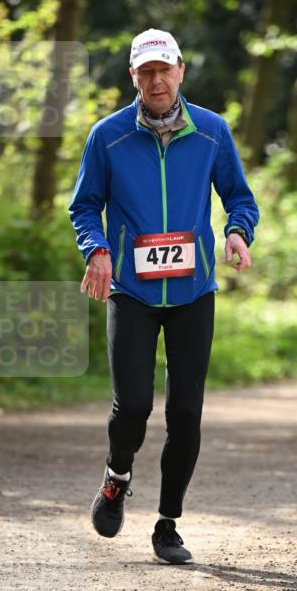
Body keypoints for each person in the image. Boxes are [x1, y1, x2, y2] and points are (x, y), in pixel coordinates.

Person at [69, 28, 259, 564]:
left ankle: (168, 524)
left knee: (186, 414)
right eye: (145, 72)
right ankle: (116, 476)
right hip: (131, 290)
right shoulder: (106, 136)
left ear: (180, 72)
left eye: (164, 70)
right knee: (132, 405)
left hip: (193, 292)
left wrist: (238, 231)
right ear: (133, 77)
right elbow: (84, 206)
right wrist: (97, 249)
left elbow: (239, 197)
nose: (156, 80)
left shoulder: (213, 132)